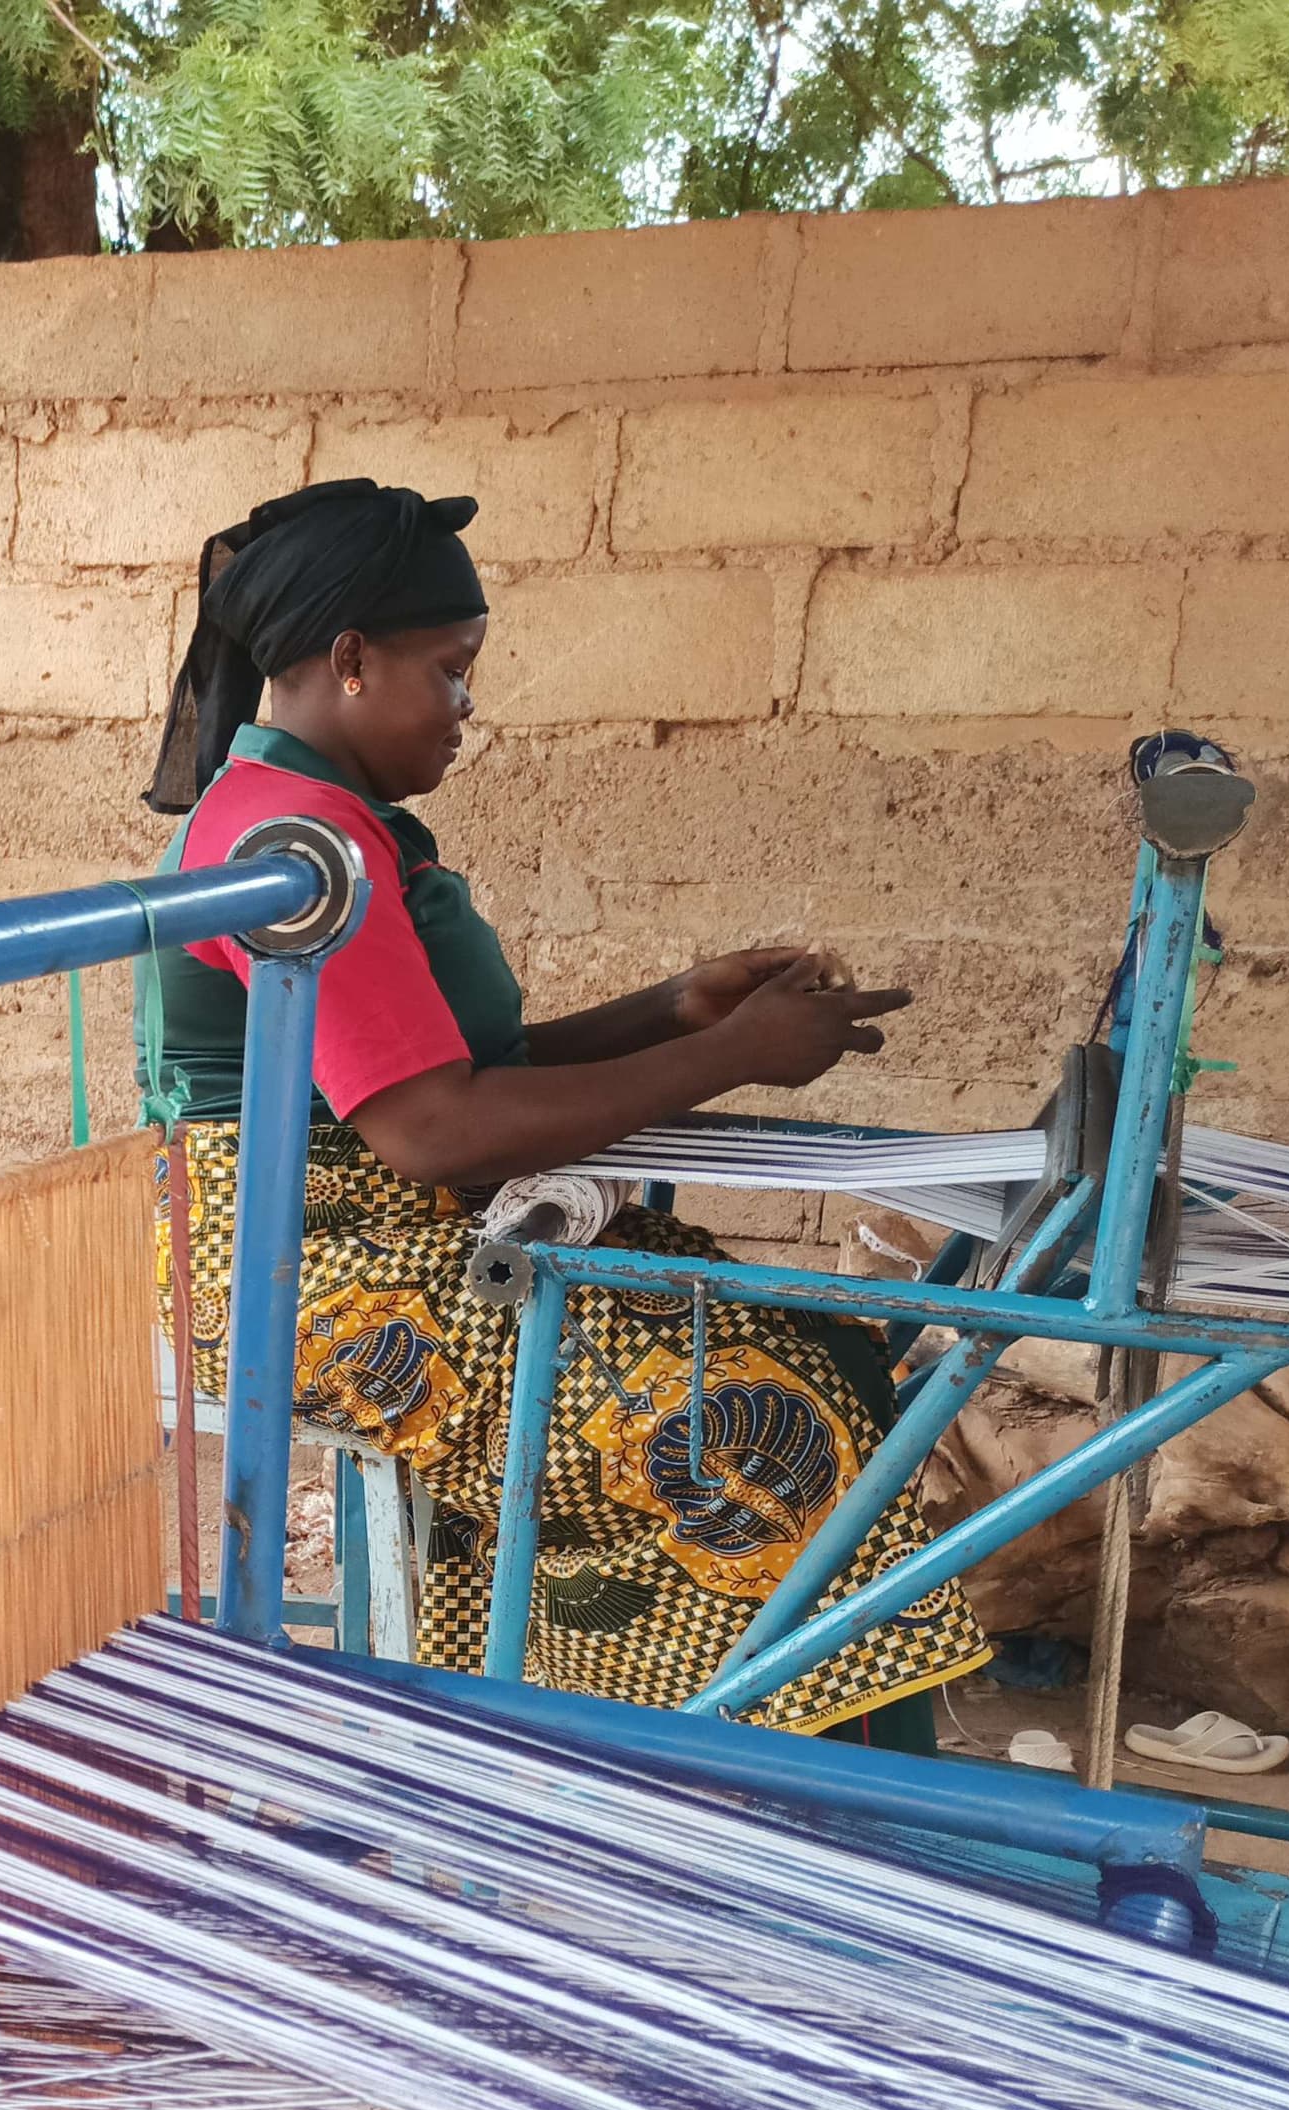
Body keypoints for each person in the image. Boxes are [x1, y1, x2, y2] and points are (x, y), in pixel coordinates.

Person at [143, 478, 988, 1746]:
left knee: (821, 1353)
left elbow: (452, 1072)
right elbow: (432, 1128)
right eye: (453, 670)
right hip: (283, 1270)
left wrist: (677, 1011)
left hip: (366, 1231)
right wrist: (735, 1059)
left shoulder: (331, 826)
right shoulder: (297, 850)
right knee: (752, 1427)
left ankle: (719, 1758)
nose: (470, 709)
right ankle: (734, 1781)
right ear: (354, 660)